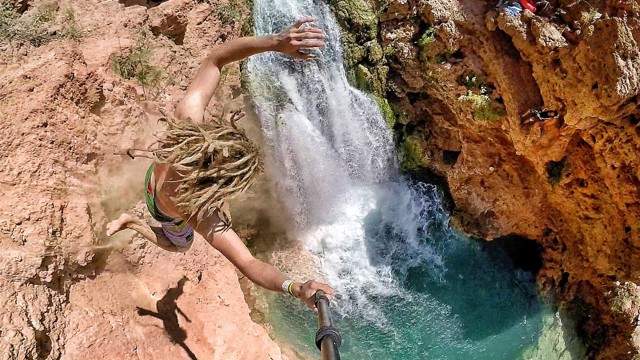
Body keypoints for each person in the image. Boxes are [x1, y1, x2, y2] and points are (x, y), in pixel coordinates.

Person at [106, 18, 334, 311]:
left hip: (155, 177)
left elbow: (216, 59)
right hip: (162, 210)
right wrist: (296, 287)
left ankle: (131, 211)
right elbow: (249, 263)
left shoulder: (184, 126)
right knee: (178, 245)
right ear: (220, 185)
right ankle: (131, 222)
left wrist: (276, 42)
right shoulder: (199, 213)